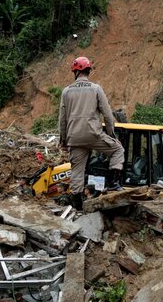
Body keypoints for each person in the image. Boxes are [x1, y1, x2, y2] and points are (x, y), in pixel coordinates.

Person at [58, 56, 125, 210]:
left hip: (74, 138)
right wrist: (111, 134)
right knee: (117, 149)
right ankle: (114, 184)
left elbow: (62, 119)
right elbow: (108, 115)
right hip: (93, 135)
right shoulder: (96, 89)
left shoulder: (66, 92)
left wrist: (63, 139)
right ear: (88, 71)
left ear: (75, 72)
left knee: (77, 171)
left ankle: (78, 206)